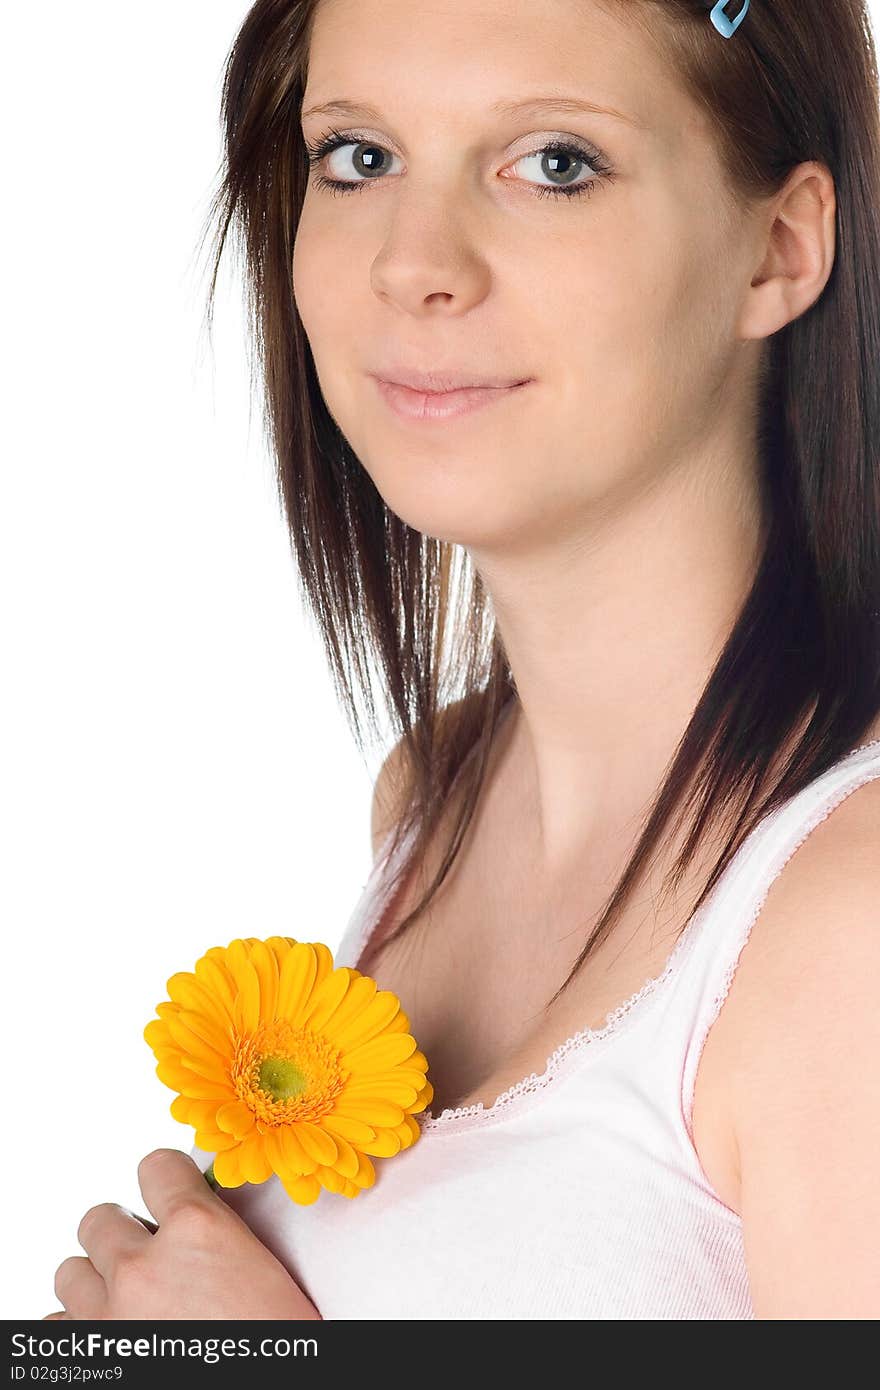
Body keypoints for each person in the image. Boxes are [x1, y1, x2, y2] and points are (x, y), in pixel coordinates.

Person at [46, 0, 880, 1320]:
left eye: (554, 162)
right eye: (359, 157)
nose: (413, 262)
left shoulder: (851, 919)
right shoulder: (434, 797)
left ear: (779, 249)